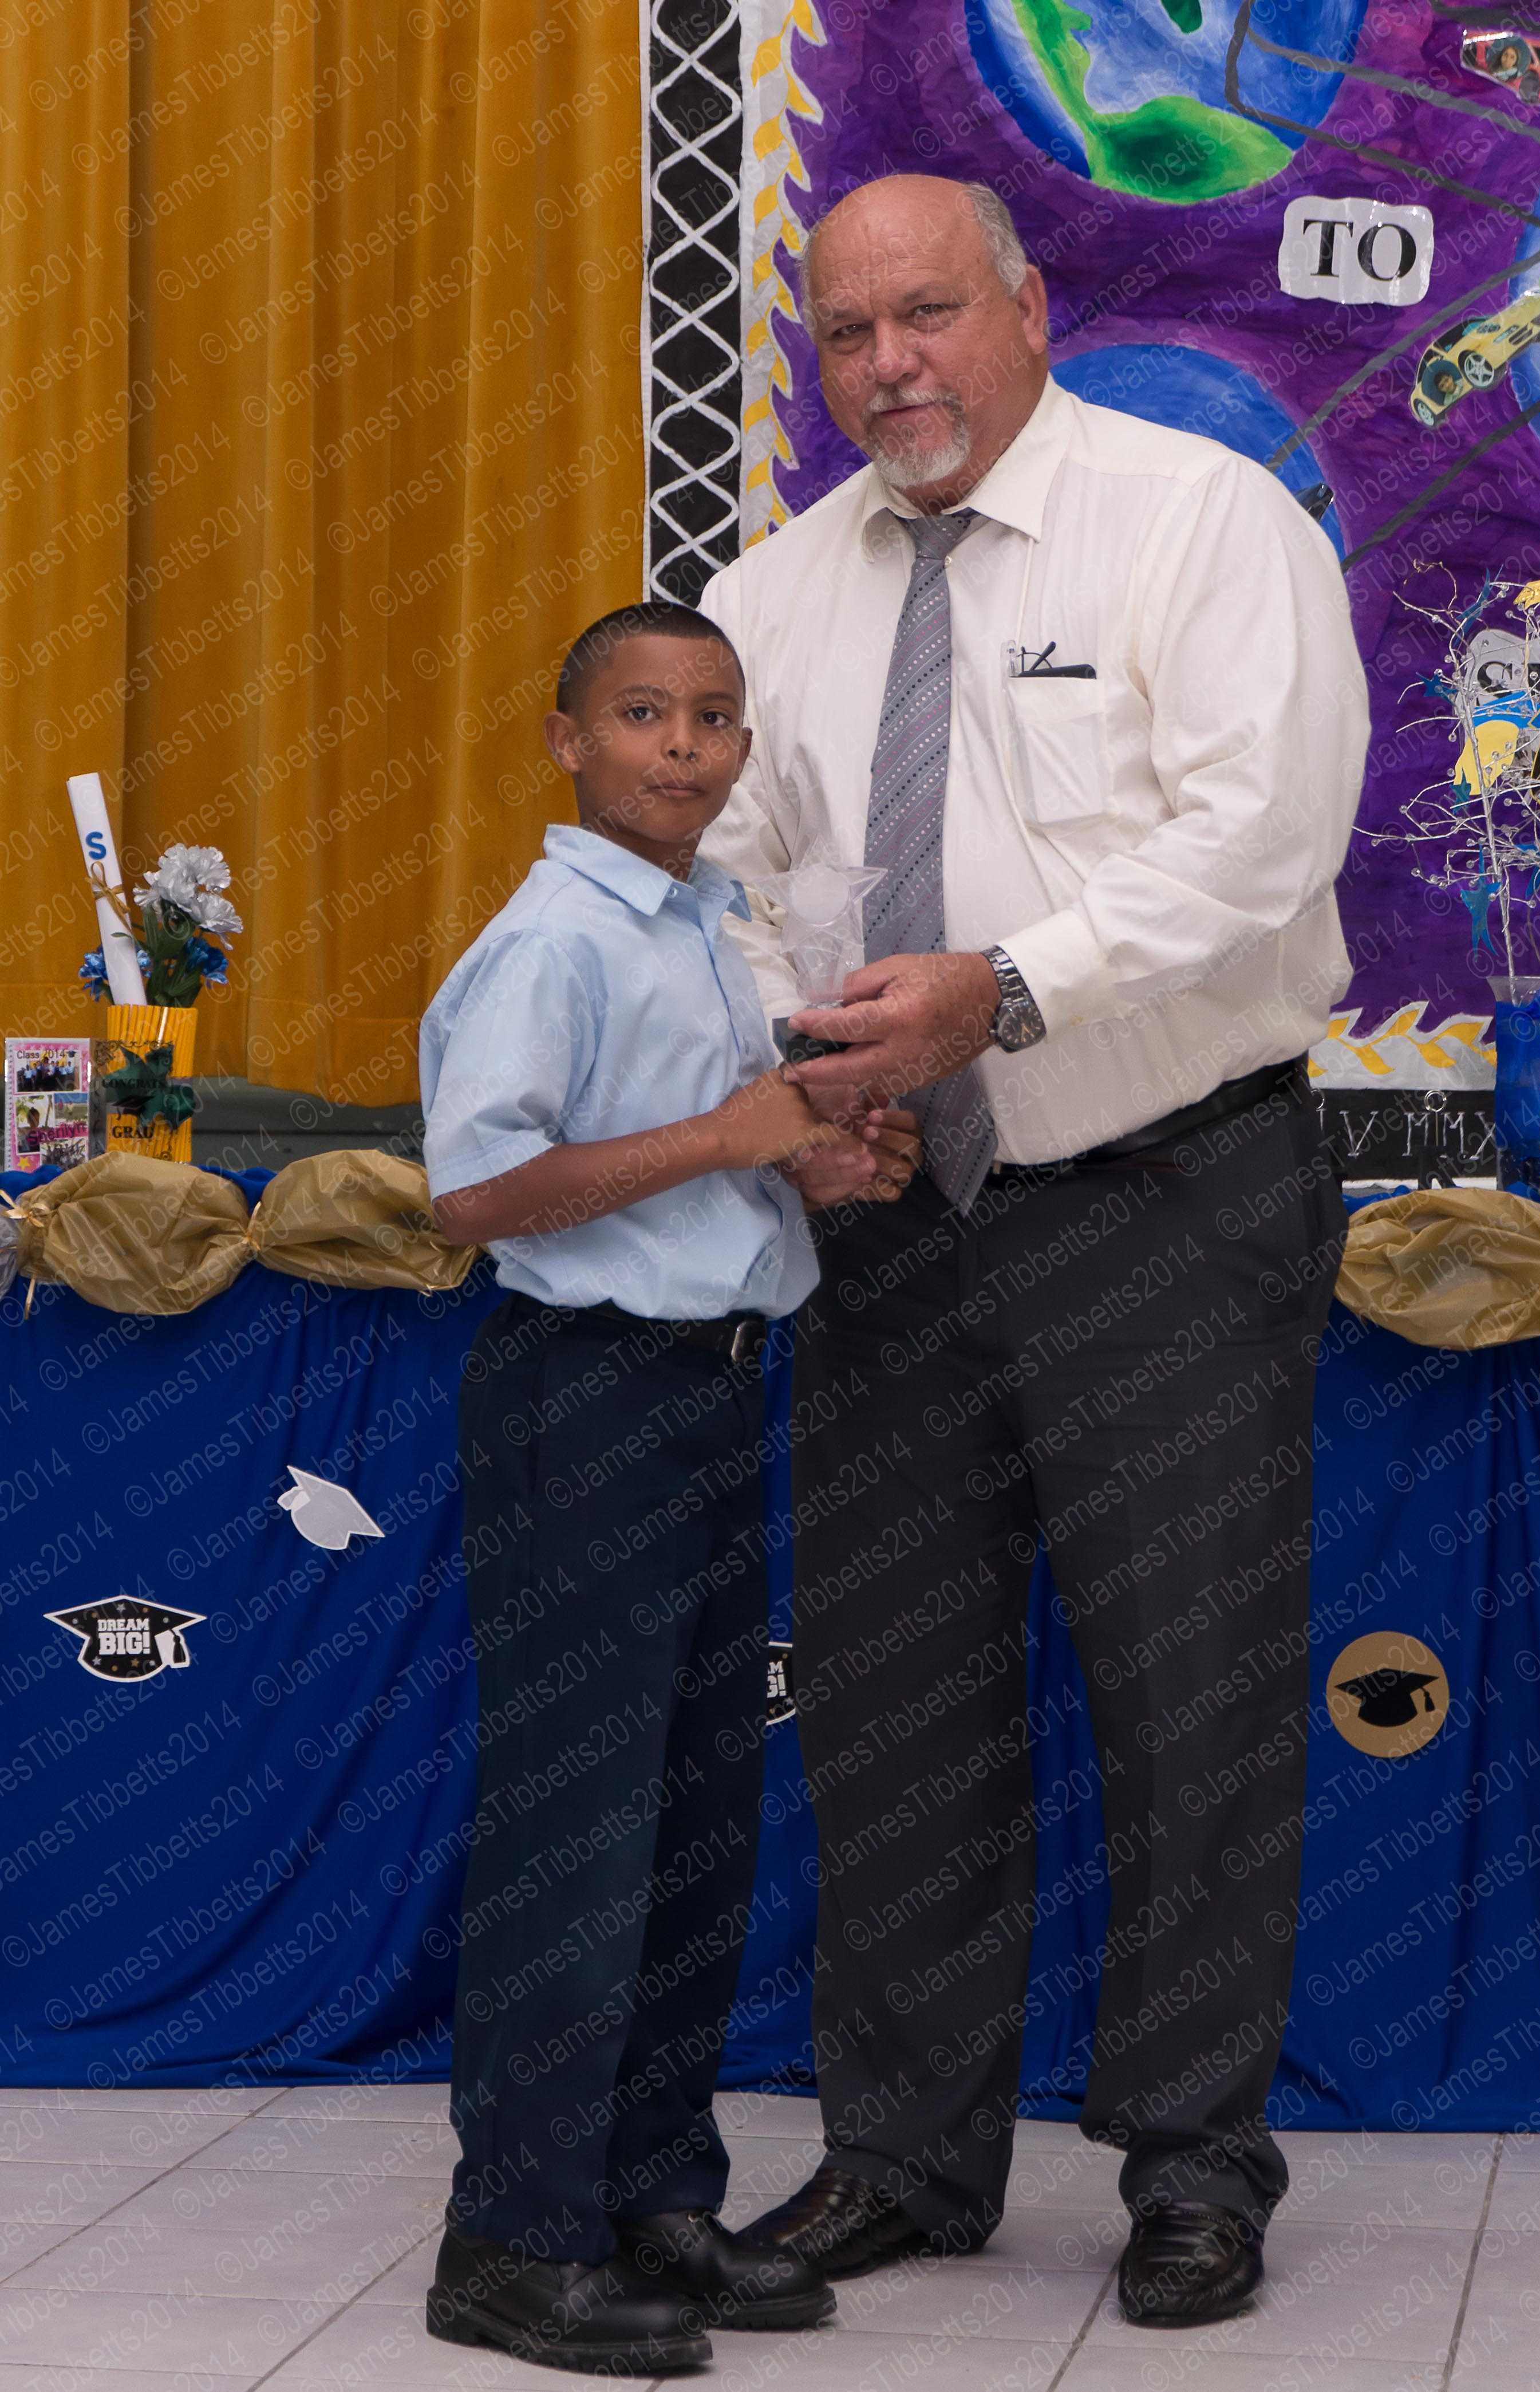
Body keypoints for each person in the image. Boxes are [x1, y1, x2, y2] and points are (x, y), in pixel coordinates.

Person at [698, 175, 1369, 2327]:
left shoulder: (1201, 522)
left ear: (1029, 306)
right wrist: (805, 1076)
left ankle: (1192, 2164)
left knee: (1195, 1697)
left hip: (1165, 1195)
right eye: (847, 332)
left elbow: (1263, 835)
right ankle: (903, 2154)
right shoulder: (770, 594)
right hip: (890, 1222)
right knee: (894, 1701)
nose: (890, 363)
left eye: (928, 313)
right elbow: (728, 882)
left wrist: (1003, 990)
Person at [419, 599, 919, 2375]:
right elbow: (476, 1191)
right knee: (578, 1825)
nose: (682, 745)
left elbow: (703, 1171)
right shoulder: (554, 939)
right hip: (588, 1399)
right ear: (568, 740)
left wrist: (810, 1173)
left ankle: (651, 2192)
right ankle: (513, 2235)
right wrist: (732, 1136)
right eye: (642, 714)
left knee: (693, 1817)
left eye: (712, 716)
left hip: (712, 1388)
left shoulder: (712, 922)